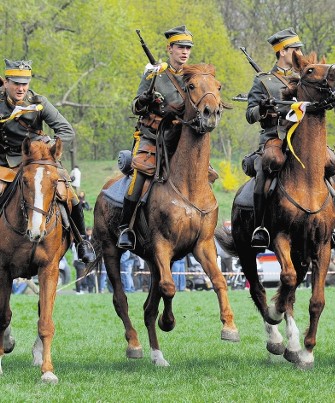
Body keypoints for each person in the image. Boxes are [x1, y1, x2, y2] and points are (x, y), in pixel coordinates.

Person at [244, 27, 335, 248]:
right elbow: (250, 114)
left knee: (332, 168)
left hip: (307, 140)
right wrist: (263, 109)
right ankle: (261, 227)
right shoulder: (264, 81)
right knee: (267, 166)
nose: (300, 54)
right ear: (283, 52)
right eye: (295, 49)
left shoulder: (308, 77)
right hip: (276, 137)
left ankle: (332, 225)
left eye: (300, 49)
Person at [117, 25, 217, 249]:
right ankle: (126, 228)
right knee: (139, 177)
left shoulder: (194, 77)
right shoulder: (154, 74)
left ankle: (204, 221)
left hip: (181, 141)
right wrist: (146, 98)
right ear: (169, 48)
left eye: (187, 48)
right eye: (180, 47)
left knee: (206, 174)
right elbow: (135, 107)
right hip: (153, 137)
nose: (184, 52)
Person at [0, 59, 95, 263]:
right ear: (6, 82)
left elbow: (66, 131)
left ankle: (82, 242)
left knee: (69, 195)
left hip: (39, 161)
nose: (21, 88)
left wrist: (46, 147)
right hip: (6, 163)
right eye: (16, 83)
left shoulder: (38, 102)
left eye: (24, 83)